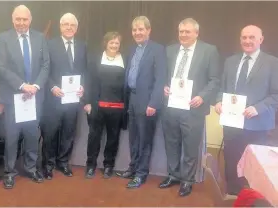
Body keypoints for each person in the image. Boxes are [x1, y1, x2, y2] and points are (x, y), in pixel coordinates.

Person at [159, 18, 220, 197]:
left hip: (193, 108)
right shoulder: (170, 50)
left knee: (190, 146)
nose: (183, 35)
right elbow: (164, 75)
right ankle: (173, 174)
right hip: (171, 106)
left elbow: (214, 80)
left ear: (196, 33)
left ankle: (187, 180)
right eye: (181, 32)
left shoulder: (209, 51)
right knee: (171, 143)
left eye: (187, 32)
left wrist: (202, 96)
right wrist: (164, 86)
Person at [215, 25, 278, 195]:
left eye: (252, 37)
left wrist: (258, 108)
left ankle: (254, 199)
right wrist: (219, 101)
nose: (247, 41)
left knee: (255, 166)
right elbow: (221, 88)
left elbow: (275, 94)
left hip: (258, 126)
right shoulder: (230, 61)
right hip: (231, 124)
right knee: (232, 161)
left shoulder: (273, 63)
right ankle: (233, 195)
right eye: (244, 37)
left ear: (261, 39)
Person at [0, 5, 49, 189]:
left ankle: (31, 167)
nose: (21, 22)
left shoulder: (40, 38)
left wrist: (35, 86)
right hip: (13, 97)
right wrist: (21, 85)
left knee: (32, 134)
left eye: (24, 19)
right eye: (18, 19)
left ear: (30, 19)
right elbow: (2, 67)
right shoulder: (3, 38)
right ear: (12, 19)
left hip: (34, 96)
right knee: (12, 135)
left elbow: (46, 66)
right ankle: (10, 172)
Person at [116, 16, 167, 189]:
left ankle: (141, 174)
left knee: (145, 139)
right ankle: (133, 167)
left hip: (148, 103)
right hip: (132, 99)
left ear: (148, 30)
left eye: (141, 29)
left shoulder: (158, 49)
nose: (137, 32)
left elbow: (161, 79)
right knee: (133, 138)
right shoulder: (131, 49)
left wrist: (154, 103)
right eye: (134, 29)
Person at [41, 13, 86, 179]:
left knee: (68, 132)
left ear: (76, 27)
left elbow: (85, 71)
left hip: (72, 100)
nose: (69, 27)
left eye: (72, 25)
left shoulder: (82, 46)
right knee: (50, 133)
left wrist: (83, 87)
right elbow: (44, 70)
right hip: (53, 99)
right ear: (60, 27)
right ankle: (48, 164)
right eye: (65, 24)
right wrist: (52, 87)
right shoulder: (49, 44)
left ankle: (63, 162)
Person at [83, 32, 127, 179]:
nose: (114, 45)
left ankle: (109, 166)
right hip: (97, 106)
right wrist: (87, 102)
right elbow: (89, 81)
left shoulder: (125, 59)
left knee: (113, 138)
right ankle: (90, 166)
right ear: (106, 43)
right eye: (111, 43)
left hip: (117, 108)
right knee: (94, 137)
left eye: (117, 43)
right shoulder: (96, 58)